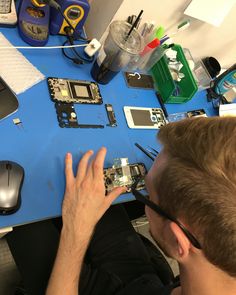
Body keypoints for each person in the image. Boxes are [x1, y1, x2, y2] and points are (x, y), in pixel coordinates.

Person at [7, 117, 236, 295]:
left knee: (22, 217)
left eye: (146, 195)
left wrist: (76, 231)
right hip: (145, 283)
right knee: (91, 192)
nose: (144, 197)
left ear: (178, 241)